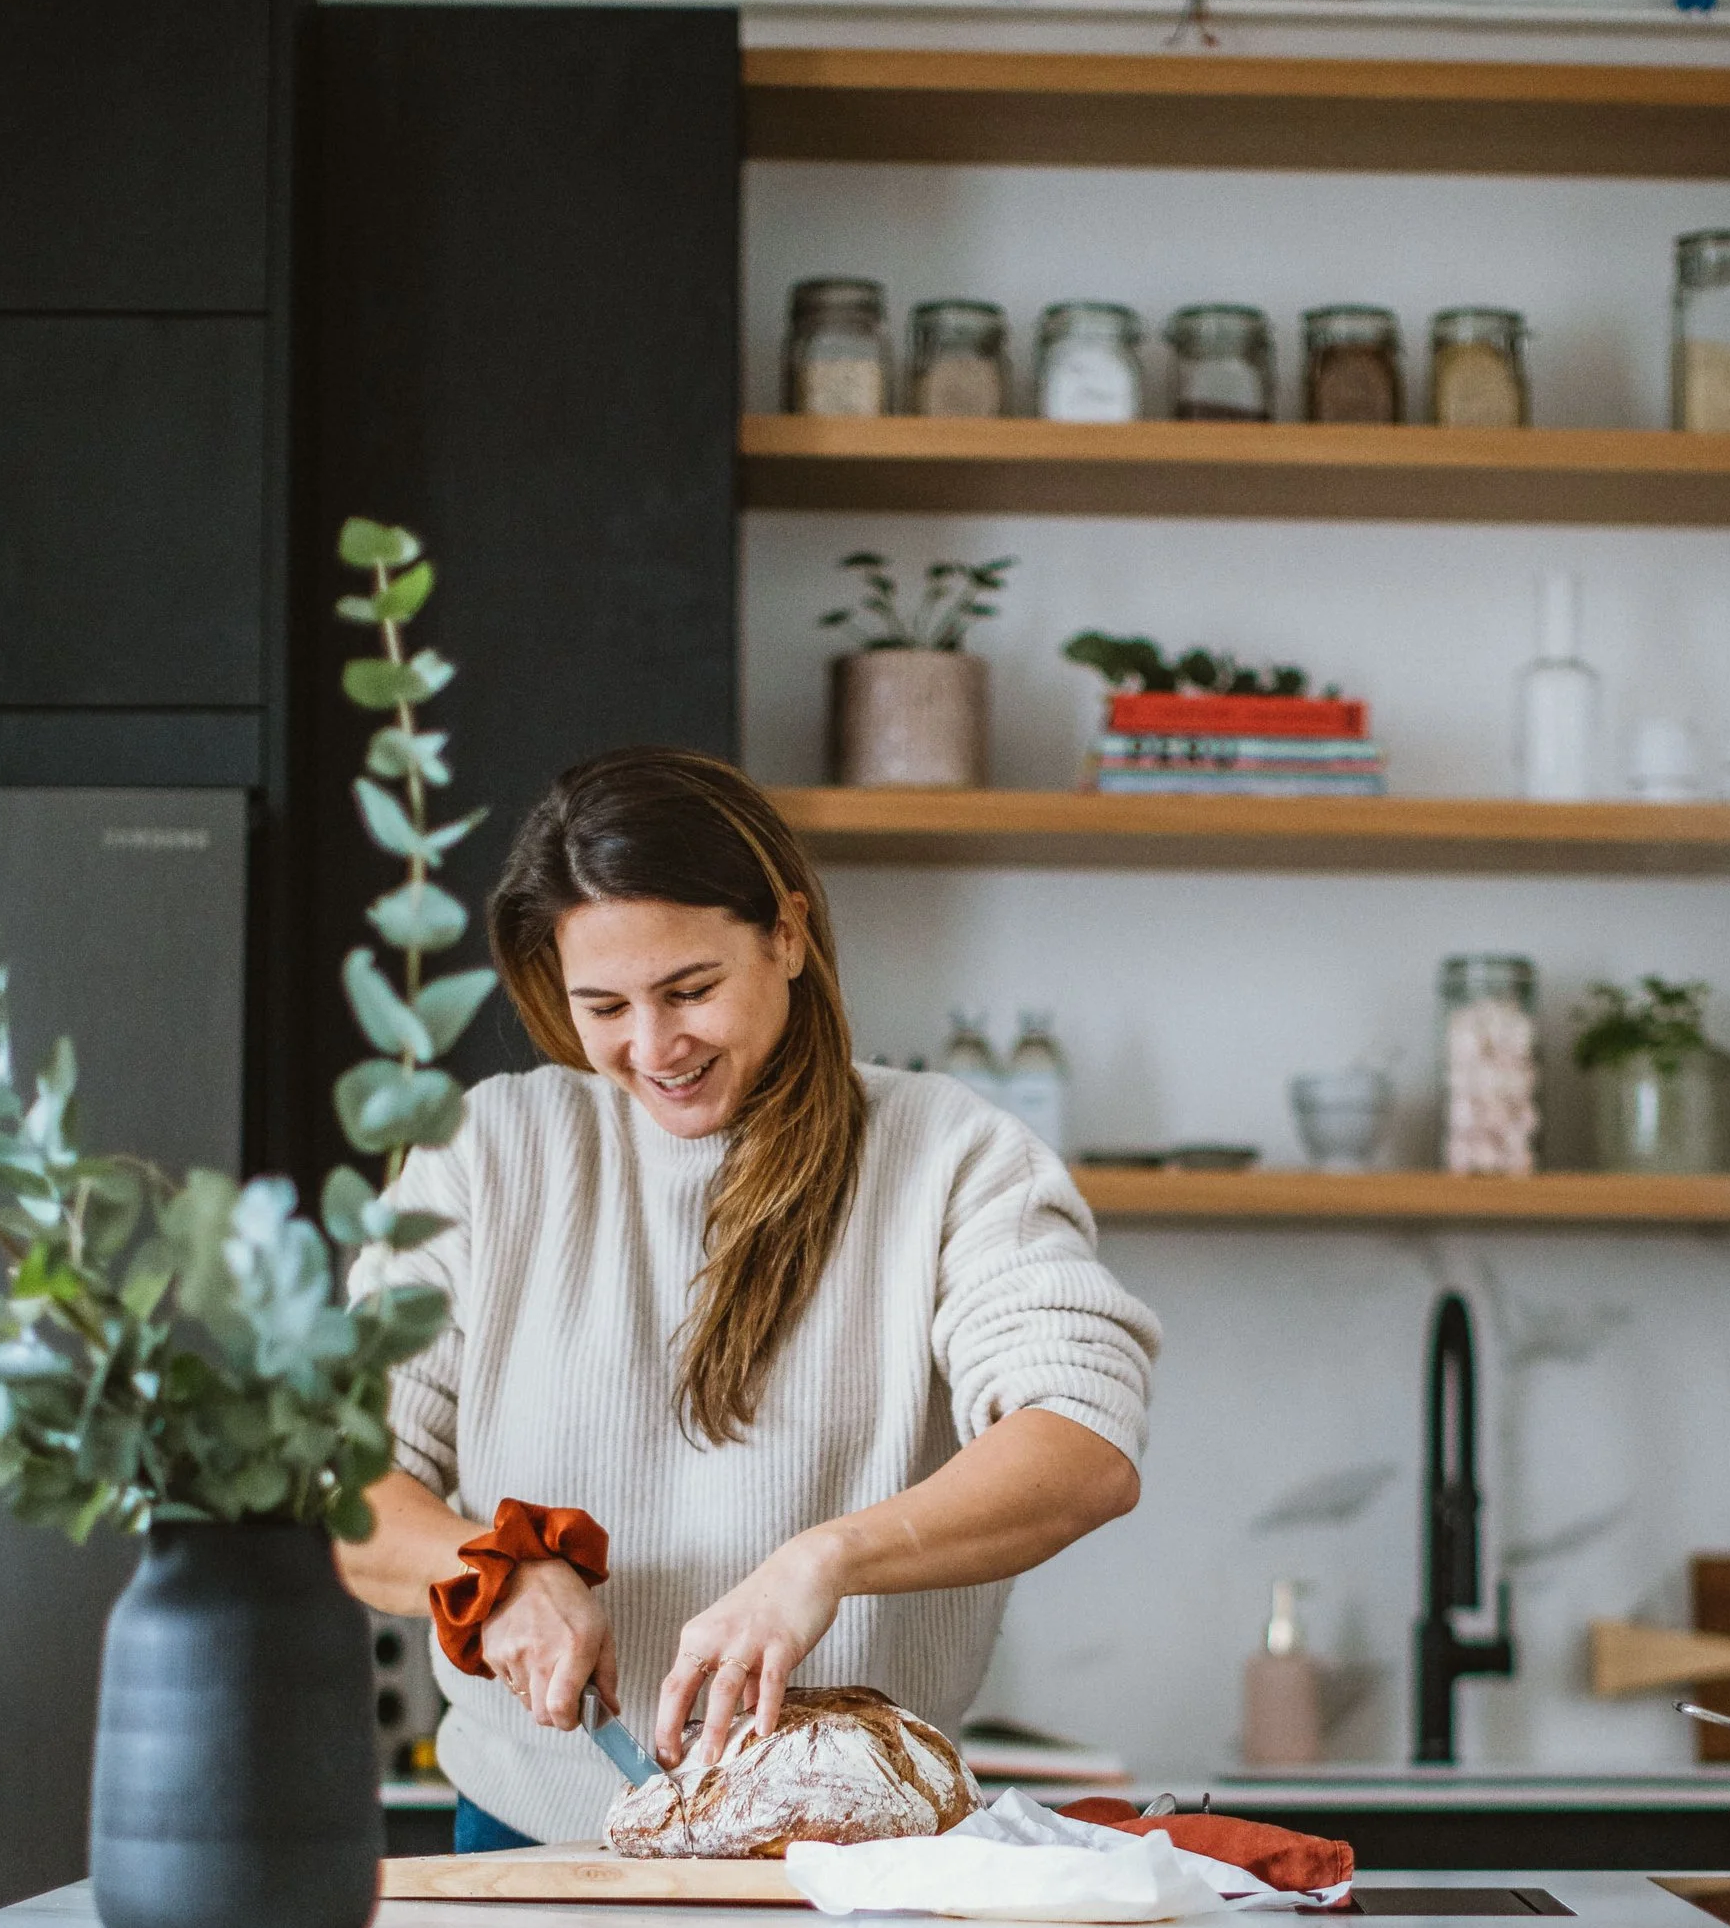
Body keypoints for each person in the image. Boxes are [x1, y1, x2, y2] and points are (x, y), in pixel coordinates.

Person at [338, 748, 1157, 1850]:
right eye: (604, 1006)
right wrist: (486, 1573)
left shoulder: (950, 1155)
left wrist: (825, 1561)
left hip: (854, 1863)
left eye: (690, 990)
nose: (653, 1045)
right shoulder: (488, 1154)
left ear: (787, 930)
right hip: (532, 1839)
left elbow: (1081, 1444)